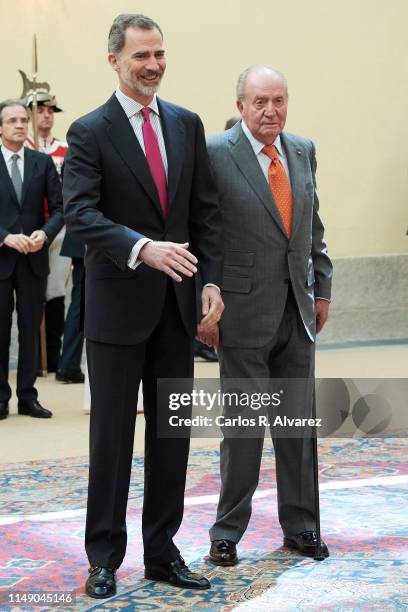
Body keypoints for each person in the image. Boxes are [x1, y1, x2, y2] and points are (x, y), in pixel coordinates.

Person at [63, 14, 224, 598]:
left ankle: (162, 552)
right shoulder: (88, 131)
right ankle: (104, 556)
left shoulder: (186, 123)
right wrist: (142, 248)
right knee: (111, 441)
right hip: (116, 313)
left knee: (171, 438)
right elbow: (80, 214)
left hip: (178, 310)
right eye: (140, 56)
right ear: (114, 62)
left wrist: (210, 280)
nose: (153, 64)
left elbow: (204, 214)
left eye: (159, 54)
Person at [202, 65, 333, 566]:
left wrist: (322, 286)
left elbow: (312, 225)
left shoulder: (302, 149)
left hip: (297, 312)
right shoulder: (216, 152)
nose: (270, 110)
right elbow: (204, 231)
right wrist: (204, 303)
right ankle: (226, 532)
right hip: (240, 314)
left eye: (278, 100)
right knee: (243, 428)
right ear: (240, 106)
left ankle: (302, 526)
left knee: (298, 427)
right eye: (260, 101)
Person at [0, 99, 63, 420]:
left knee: (29, 330)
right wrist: (4, 236)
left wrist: (45, 234)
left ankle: (28, 396)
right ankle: (0, 398)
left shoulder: (42, 163)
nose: (20, 125)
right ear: (0, 127)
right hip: (2, 258)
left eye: (23, 119)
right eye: (12, 120)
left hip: (33, 260)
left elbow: (61, 207)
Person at [25, 93, 71, 373]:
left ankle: (52, 357)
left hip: (58, 228)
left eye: (50, 111)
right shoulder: (22, 148)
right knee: (29, 294)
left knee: (55, 292)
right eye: (40, 110)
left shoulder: (64, 149)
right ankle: (33, 359)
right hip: (27, 229)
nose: (46, 115)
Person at [56, 232, 85, 383]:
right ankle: (68, 365)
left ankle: (68, 364)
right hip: (89, 240)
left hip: (81, 239)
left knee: (79, 302)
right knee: (81, 303)